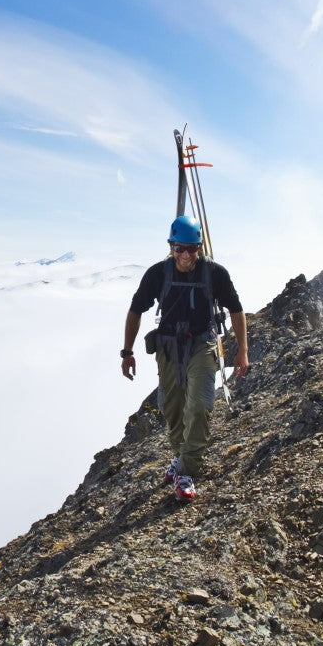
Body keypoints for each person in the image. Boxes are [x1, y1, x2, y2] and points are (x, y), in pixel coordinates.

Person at [120, 215, 249, 502]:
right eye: (180, 248)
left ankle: (187, 470)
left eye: (192, 249)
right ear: (171, 246)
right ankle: (179, 456)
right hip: (167, 348)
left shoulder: (215, 274)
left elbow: (237, 310)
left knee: (201, 405)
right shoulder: (157, 274)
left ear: (200, 247)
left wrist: (242, 351)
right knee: (172, 407)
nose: (187, 255)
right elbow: (135, 310)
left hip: (202, 344)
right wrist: (127, 352)